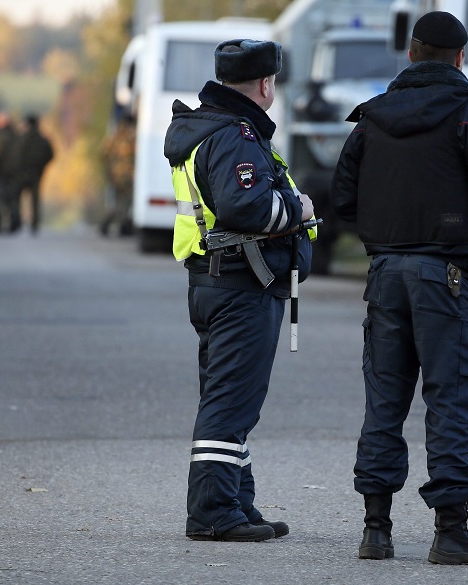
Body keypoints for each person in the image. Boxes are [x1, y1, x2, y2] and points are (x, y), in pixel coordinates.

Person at [330, 11, 468, 566]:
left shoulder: (371, 119)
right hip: (448, 278)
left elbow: (342, 200)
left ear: (412, 54)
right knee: (452, 400)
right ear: (460, 58)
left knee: (385, 399)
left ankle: (375, 530)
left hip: (386, 275)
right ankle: (450, 531)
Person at [163, 39, 316, 542]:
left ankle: (236, 502)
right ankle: (212, 513)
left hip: (214, 282)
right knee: (231, 402)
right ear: (266, 84)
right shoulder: (235, 135)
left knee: (231, 398)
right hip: (240, 286)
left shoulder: (207, 127)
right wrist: (301, 211)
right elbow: (245, 208)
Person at [9, 114, 54, 234]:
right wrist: (41, 166)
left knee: (16, 198)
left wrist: (15, 169)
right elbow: (50, 155)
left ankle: (17, 222)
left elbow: (13, 156)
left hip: (20, 174)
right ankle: (34, 224)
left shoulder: (20, 138)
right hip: (36, 174)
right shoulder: (43, 140)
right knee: (35, 200)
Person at [98, 113, 136, 237]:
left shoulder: (114, 136)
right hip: (127, 176)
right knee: (124, 203)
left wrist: (109, 170)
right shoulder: (131, 137)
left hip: (116, 175)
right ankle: (116, 226)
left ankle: (116, 226)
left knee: (120, 203)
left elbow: (104, 153)